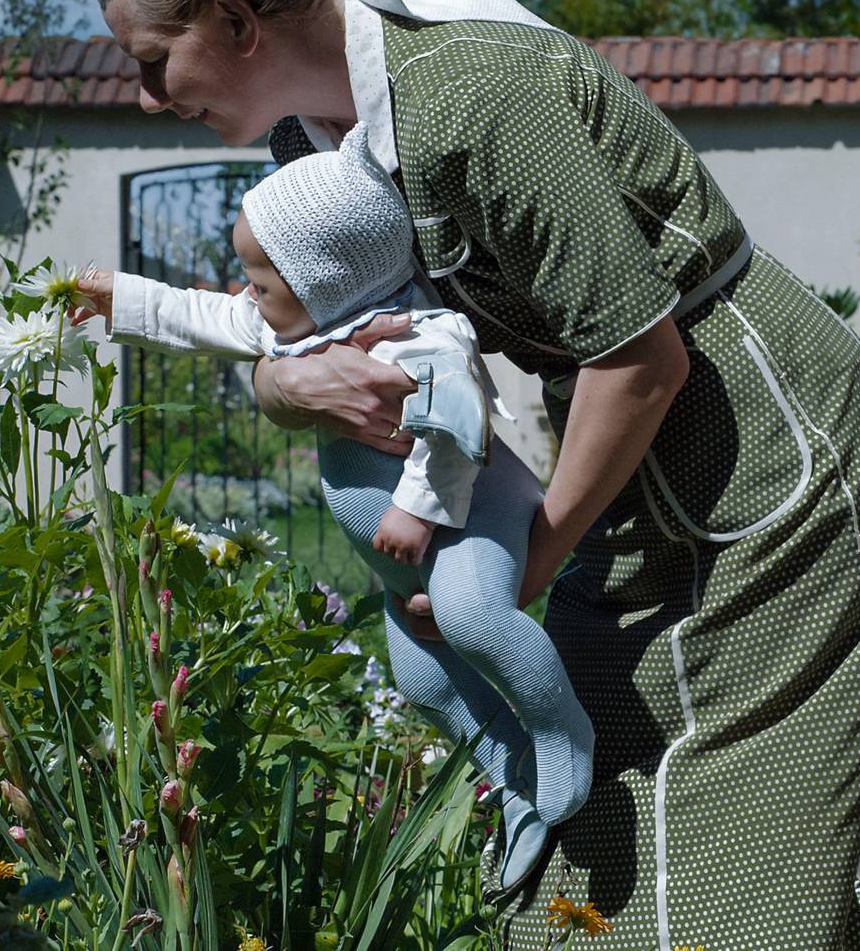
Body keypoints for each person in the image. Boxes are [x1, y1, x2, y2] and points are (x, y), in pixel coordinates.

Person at [79, 0, 860, 950]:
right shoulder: (310, 148)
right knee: (588, 856)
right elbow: (287, 339)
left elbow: (643, 362)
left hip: (766, 458)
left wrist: (528, 570)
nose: (148, 98)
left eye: (154, 61)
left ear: (235, 20)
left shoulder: (473, 98)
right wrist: (289, 385)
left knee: (738, 879)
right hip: (623, 471)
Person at [85, 123, 592, 891]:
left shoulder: (421, 334)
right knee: (423, 681)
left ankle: (561, 734)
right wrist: (115, 298)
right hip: (403, 558)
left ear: (324, 278)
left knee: (471, 616)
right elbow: (198, 316)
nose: (244, 291)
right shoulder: (300, 328)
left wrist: (417, 509)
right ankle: (509, 768)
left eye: (260, 279)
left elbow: (458, 422)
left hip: (471, 517)